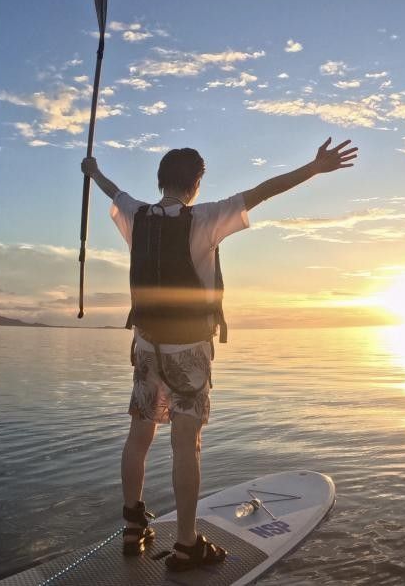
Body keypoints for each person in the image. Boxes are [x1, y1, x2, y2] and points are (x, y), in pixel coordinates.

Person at [80, 137, 357, 571]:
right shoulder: (205, 218)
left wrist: (93, 171)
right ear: (195, 184)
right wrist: (313, 168)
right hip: (188, 350)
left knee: (139, 436)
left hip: (146, 347)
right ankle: (188, 544)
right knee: (185, 444)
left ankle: (133, 526)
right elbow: (264, 190)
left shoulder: (137, 214)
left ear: (160, 180)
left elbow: (113, 191)